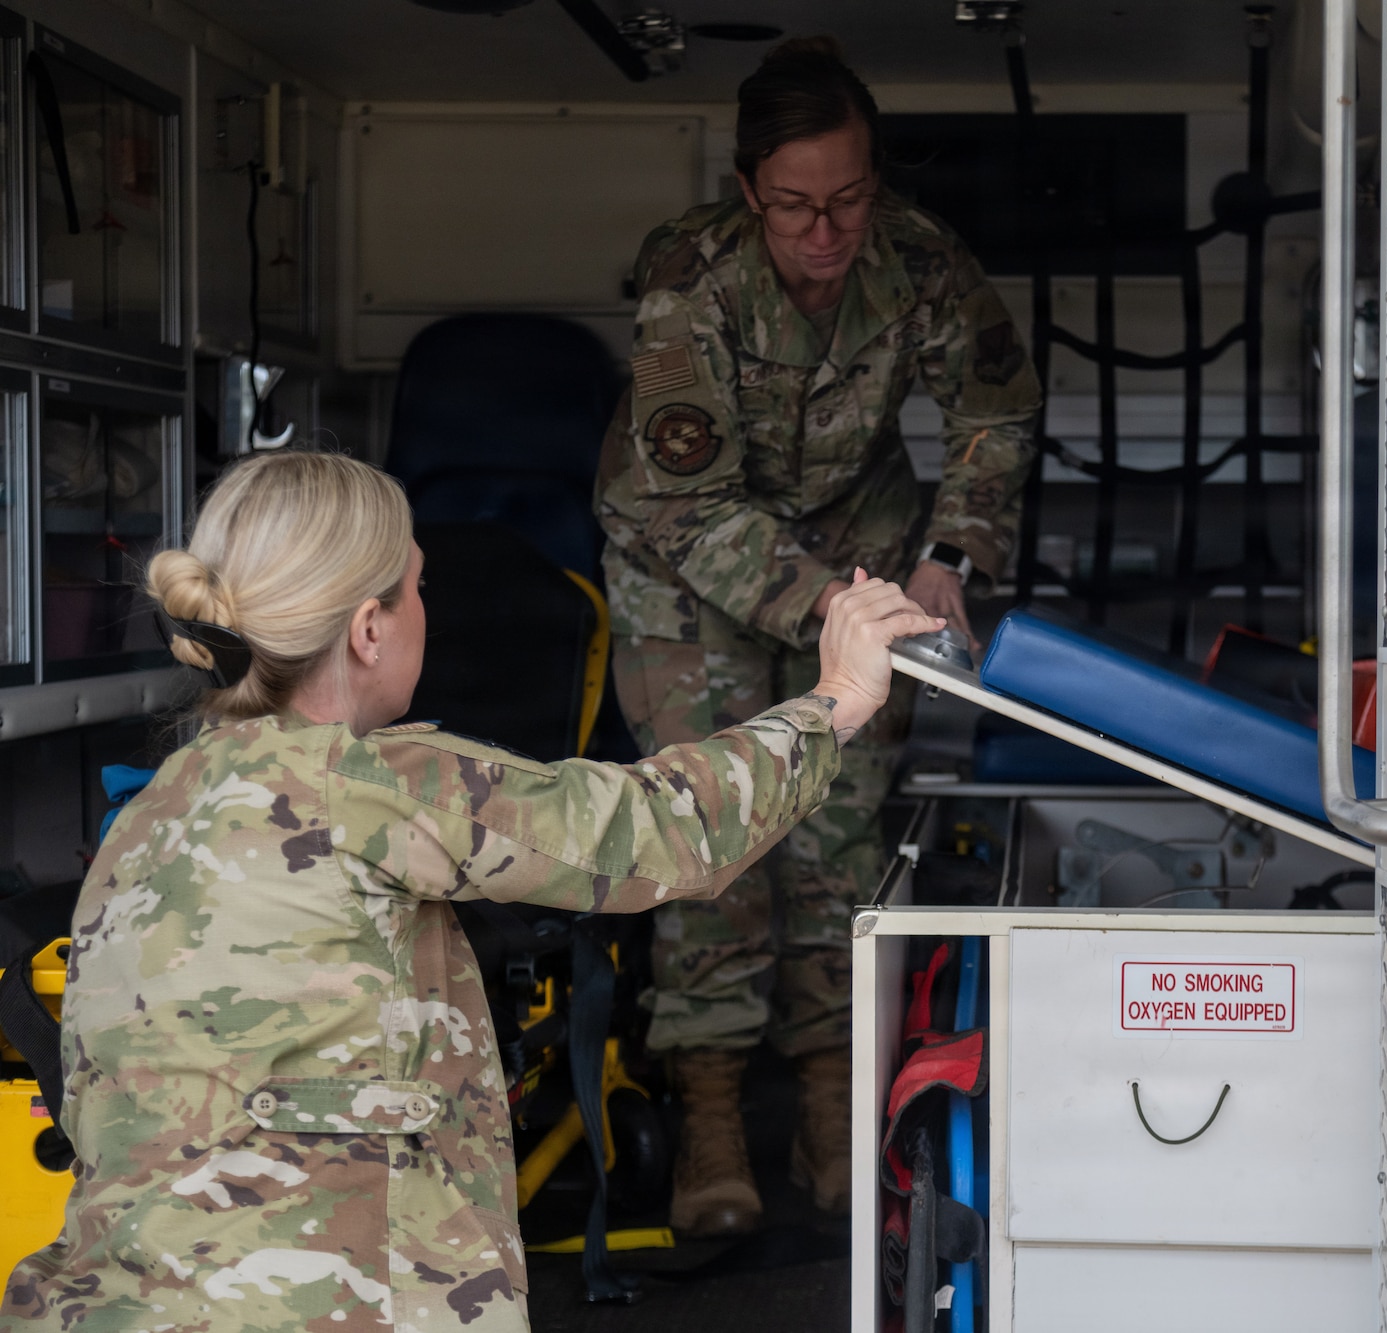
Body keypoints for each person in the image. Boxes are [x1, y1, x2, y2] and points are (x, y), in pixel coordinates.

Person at [0, 450, 941, 1332]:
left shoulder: (149, 807)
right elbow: (661, 831)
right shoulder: (373, 780)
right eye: (418, 588)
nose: (424, 609)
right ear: (370, 628)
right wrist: (838, 700)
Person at [594, 36, 1040, 1234]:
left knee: (839, 840)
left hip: (863, 545)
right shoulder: (692, 285)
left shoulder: (920, 261)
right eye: (793, 205)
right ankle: (711, 1120)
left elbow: (996, 403)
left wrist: (948, 558)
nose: (824, 231)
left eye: (846, 199)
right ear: (749, 191)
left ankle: (833, 1116)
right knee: (710, 839)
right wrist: (842, 618)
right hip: (685, 572)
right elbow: (689, 504)